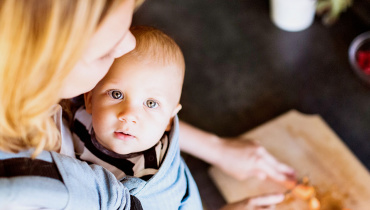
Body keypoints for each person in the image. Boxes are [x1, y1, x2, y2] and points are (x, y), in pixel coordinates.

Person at [0, 0, 294, 209]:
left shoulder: (39, 89)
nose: (129, 46)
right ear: (44, 66)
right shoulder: (28, 193)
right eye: (104, 52)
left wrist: (216, 147)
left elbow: (134, 111)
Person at [71, 25, 202, 209]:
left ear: (169, 120)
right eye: (116, 94)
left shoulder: (145, 175)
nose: (129, 116)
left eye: (151, 103)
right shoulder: (77, 116)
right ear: (90, 100)